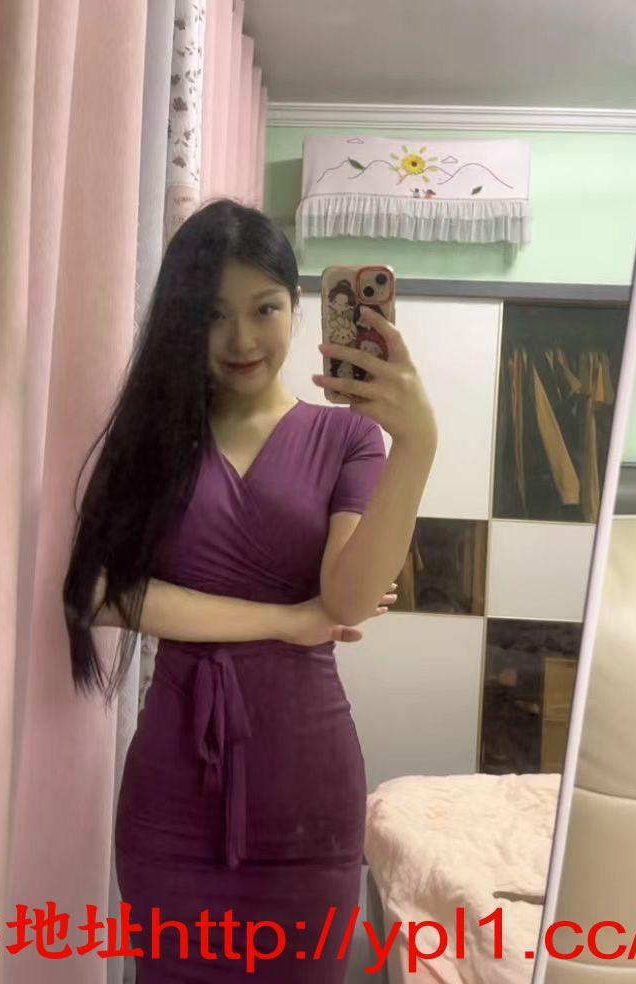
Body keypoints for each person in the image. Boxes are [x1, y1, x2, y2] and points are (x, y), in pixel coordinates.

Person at [62, 198, 437, 981]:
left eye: (264, 308)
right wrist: (282, 620)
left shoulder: (348, 436)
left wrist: (417, 442)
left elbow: (346, 600)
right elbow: (101, 593)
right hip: (172, 797)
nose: (240, 340)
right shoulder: (155, 435)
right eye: (213, 314)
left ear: (297, 305)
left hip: (307, 795)